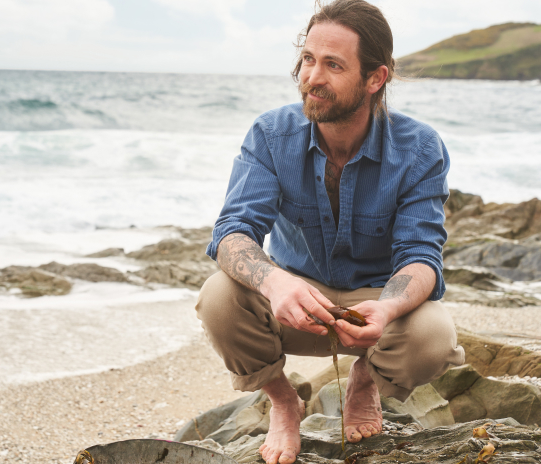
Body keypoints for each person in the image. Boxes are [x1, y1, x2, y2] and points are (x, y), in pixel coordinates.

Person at [196, 1, 465, 463]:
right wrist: (274, 281)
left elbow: (422, 257)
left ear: (374, 79)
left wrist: (387, 309)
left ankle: (364, 383)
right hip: (297, 303)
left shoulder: (420, 149)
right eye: (308, 59)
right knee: (219, 296)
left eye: (333, 65)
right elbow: (233, 231)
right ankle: (283, 402)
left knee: (433, 333)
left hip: (374, 310)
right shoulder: (270, 135)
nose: (311, 77)